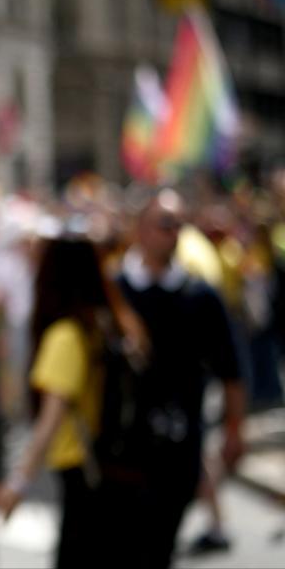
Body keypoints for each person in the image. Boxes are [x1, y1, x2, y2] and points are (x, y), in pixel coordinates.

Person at [113, 189, 246, 567]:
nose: (172, 234)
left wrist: (234, 430)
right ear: (140, 229)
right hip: (122, 447)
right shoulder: (115, 289)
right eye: (164, 224)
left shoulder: (200, 296)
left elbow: (230, 369)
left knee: (159, 544)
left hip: (179, 442)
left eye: (178, 226)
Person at [0, 233, 139, 567]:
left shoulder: (65, 335)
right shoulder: (102, 323)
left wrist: (17, 483)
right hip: (102, 462)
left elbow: (49, 420)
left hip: (81, 467)